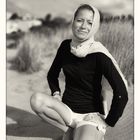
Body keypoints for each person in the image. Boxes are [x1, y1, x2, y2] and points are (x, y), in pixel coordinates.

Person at [30, 4, 128, 140]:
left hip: (91, 116)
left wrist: (107, 121)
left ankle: (85, 131)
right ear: (73, 21)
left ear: (94, 26)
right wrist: (56, 94)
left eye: (89, 22)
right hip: (67, 111)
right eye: (80, 20)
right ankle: (68, 130)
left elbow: (122, 94)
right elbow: (52, 74)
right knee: (36, 100)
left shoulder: (99, 54)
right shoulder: (65, 46)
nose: (83, 26)